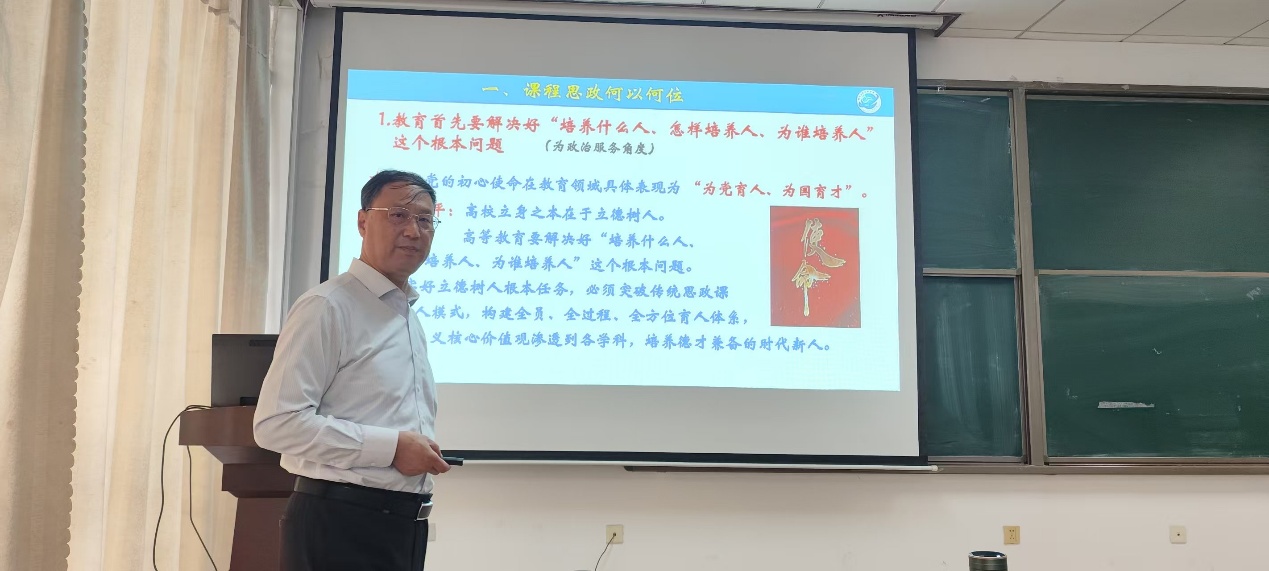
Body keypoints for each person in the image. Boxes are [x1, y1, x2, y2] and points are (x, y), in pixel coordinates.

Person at [254, 170, 450, 571]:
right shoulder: (328, 306)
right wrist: (392, 448)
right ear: (363, 222)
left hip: (401, 527)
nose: (413, 231)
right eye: (398, 215)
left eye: (425, 219)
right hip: (339, 525)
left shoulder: (406, 316)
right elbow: (277, 424)